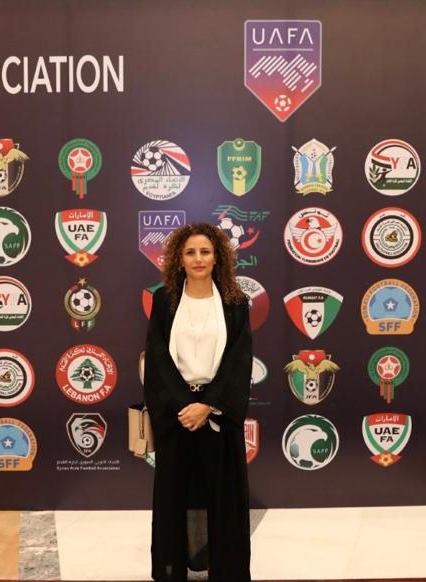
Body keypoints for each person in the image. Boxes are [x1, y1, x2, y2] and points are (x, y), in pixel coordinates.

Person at [143, 222, 252, 582]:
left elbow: (239, 360)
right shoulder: (165, 300)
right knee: (173, 497)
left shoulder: (236, 302)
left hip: (218, 413)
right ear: (179, 259)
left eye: (205, 251)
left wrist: (209, 404)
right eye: (190, 252)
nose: (198, 258)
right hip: (177, 414)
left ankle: (227, 573)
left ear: (217, 257)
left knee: (224, 498)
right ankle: (172, 571)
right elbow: (157, 357)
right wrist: (183, 404)